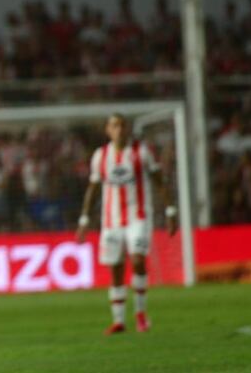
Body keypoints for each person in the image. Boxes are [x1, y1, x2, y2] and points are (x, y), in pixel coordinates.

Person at [76, 114, 177, 335]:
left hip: (137, 217)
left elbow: (159, 181)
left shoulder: (141, 152)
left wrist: (170, 210)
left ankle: (140, 313)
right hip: (111, 222)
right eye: (114, 126)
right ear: (107, 130)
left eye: (122, 125)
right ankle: (119, 321)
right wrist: (84, 219)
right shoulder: (100, 156)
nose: (119, 129)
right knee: (116, 269)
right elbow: (93, 189)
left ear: (128, 128)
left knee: (138, 260)